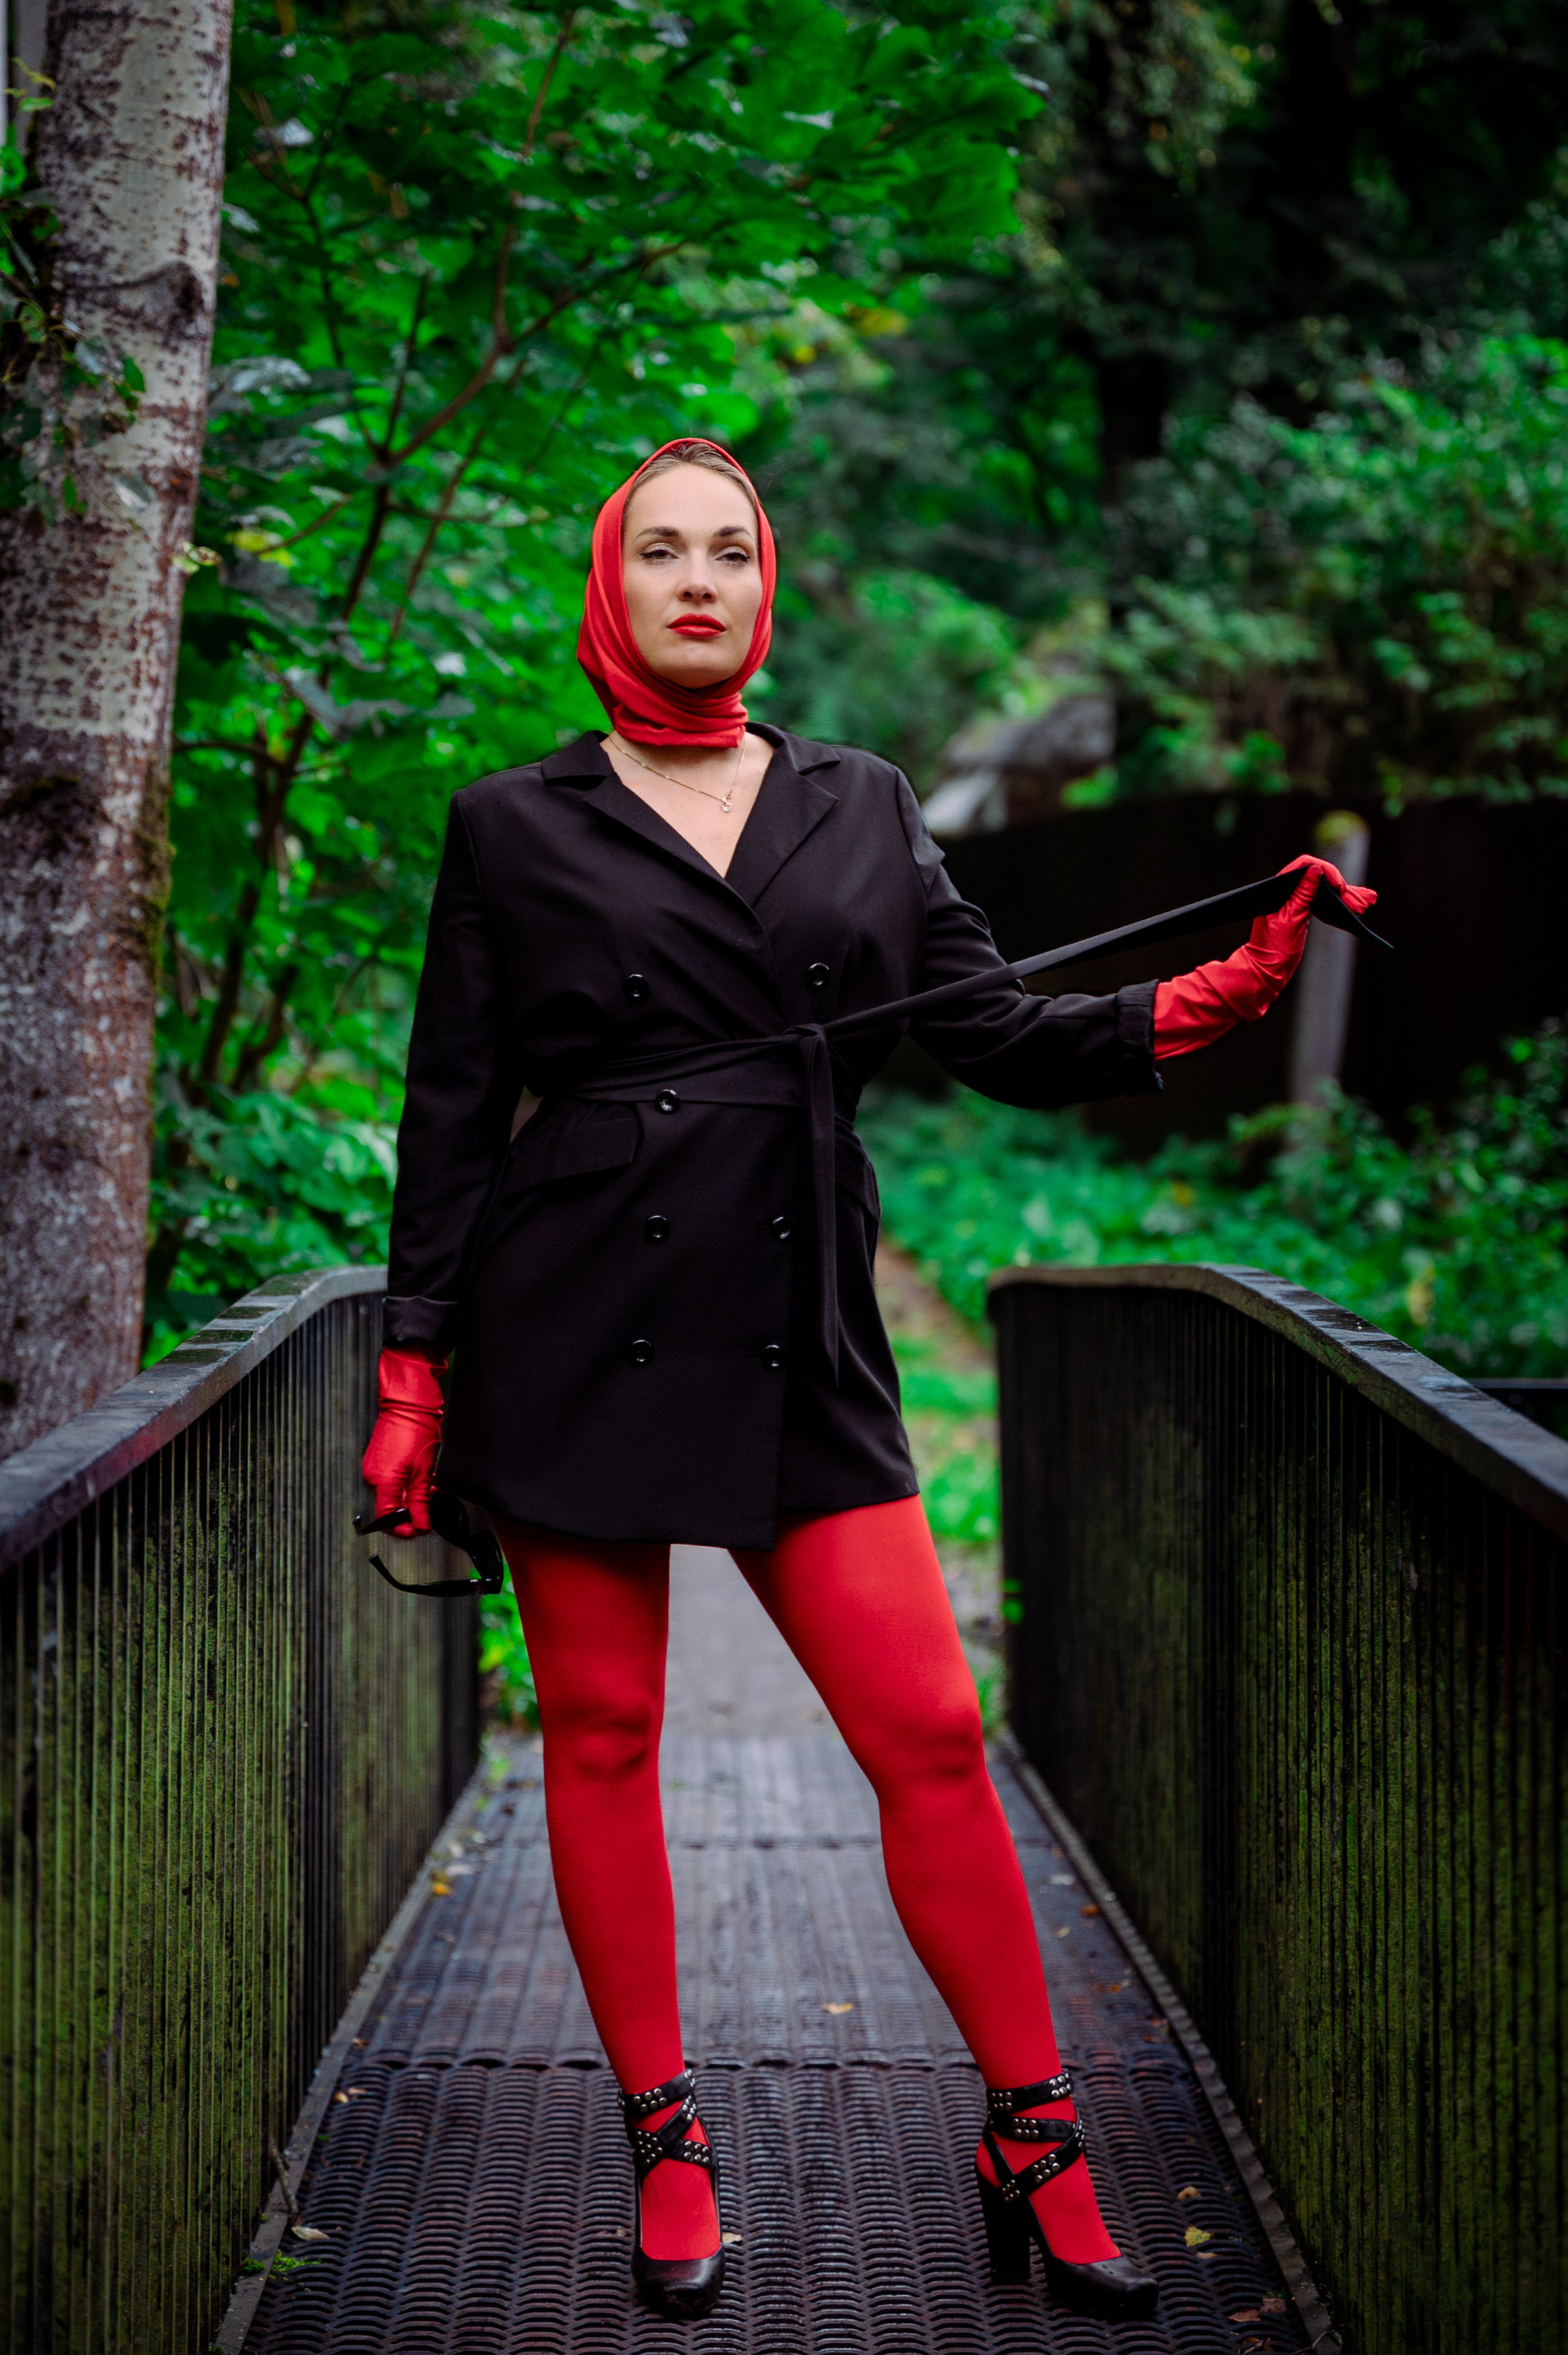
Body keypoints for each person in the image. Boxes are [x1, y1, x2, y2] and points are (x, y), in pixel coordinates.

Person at [361, 439, 1376, 2324]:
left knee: (928, 1728)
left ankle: (1036, 2132)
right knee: (602, 1732)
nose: (697, 579)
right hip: (569, 1317)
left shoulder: (863, 802)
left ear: (767, 586)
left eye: (729, 551)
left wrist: (1219, 990)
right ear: (611, 586)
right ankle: (668, 2134)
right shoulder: (510, 824)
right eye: (661, 550)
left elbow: (996, 1026)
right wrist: (415, 1364)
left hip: (794, 1309)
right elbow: (450, 1108)